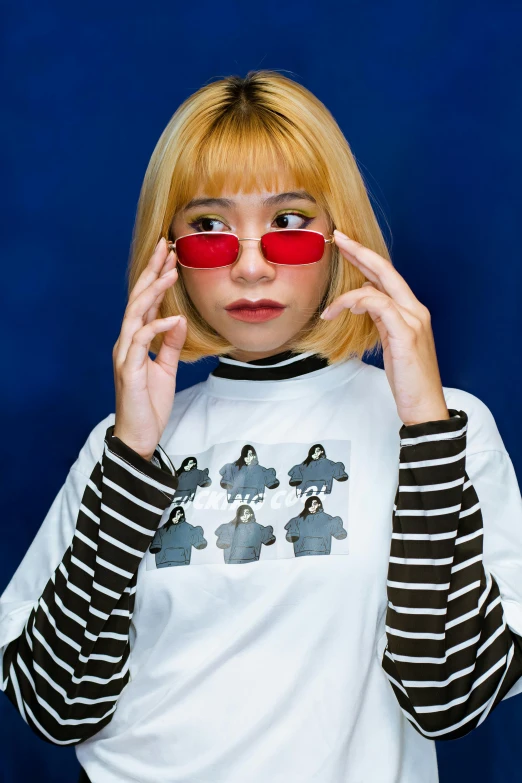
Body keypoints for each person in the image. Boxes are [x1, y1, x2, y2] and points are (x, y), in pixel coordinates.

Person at [1, 69, 521, 783]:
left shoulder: (447, 428)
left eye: (289, 223)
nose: (250, 267)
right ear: (169, 250)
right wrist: (130, 457)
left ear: (341, 234)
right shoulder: (117, 447)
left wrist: (426, 427)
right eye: (210, 229)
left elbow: (448, 699)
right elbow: (54, 707)